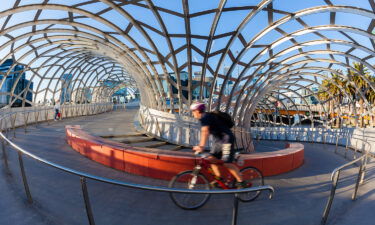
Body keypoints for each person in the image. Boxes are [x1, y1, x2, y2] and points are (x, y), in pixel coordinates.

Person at [190, 102, 246, 188]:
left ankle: (241, 182)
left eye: (193, 111)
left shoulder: (205, 117)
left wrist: (201, 146)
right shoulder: (205, 118)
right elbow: (205, 132)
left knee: (227, 163)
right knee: (211, 159)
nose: (192, 113)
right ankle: (219, 179)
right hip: (218, 141)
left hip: (227, 139)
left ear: (198, 110)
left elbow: (205, 132)